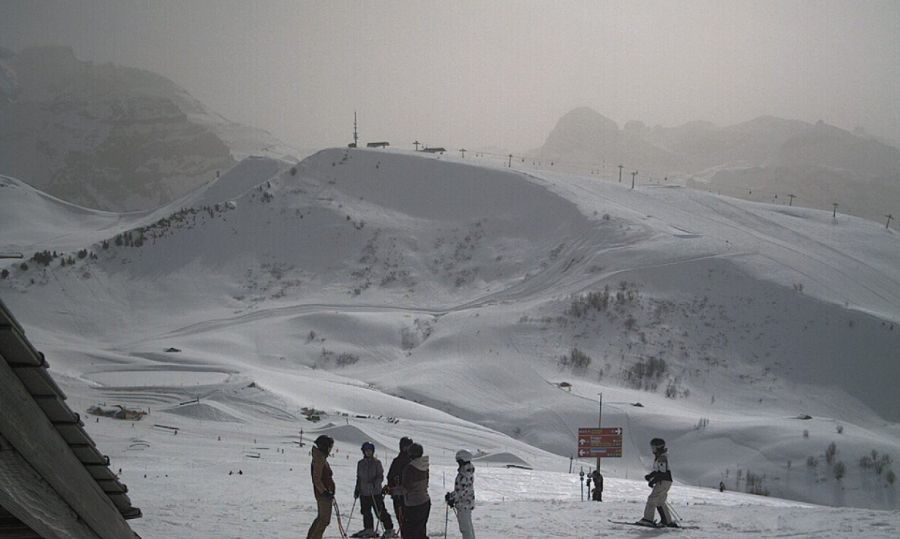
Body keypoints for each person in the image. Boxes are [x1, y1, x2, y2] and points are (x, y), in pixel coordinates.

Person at [352, 442, 397, 538]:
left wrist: (374, 484)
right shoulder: (360, 463)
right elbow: (359, 477)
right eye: (366, 450)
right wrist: (357, 489)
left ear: (373, 451)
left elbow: (380, 476)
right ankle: (369, 529)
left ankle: (389, 529)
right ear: (363, 452)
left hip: (375, 492)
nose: (368, 452)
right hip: (364, 492)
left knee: (380, 511)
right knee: (365, 511)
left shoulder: (377, 463)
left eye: (370, 450)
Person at [636, 438, 676, 528]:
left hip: (663, 481)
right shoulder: (661, 456)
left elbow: (662, 473)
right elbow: (659, 471)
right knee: (660, 501)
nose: (652, 450)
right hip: (665, 481)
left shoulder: (662, 457)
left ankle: (648, 519)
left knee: (652, 499)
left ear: (659, 447)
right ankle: (667, 521)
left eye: (654, 447)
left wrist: (653, 480)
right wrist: (650, 476)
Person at [397, 442, 430, 539]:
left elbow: (405, 489)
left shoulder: (410, 468)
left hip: (413, 505)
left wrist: (391, 490)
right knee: (420, 532)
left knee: (409, 533)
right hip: (425, 502)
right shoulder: (424, 465)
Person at [308, 435, 336, 539]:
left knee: (321, 518)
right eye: (329, 447)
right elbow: (317, 478)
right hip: (323, 495)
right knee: (324, 519)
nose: (330, 449)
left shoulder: (320, 457)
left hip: (324, 493)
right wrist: (324, 492)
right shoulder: (319, 458)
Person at [445, 449, 476, 539]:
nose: (458, 463)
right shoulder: (468, 472)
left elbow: (461, 492)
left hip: (463, 505)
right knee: (469, 527)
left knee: (465, 529)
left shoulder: (463, 475)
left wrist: (451, 497)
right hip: (468, 504)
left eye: (459, 461)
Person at [385, 436, 413, 530]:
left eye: (409, 447)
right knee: (401, 520)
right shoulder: (397, 461)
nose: (407, 449)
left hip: (411, 496)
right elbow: (390, 476)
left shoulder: (413, 461)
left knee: (411, 521)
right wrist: (391, 488)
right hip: (398, 496)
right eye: (405, 447)